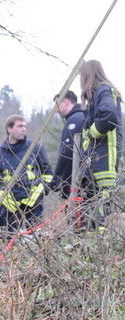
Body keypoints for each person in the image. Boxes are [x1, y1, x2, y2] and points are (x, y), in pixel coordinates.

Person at [0, 115, 52, 233]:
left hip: (33, 205)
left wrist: (38, 191)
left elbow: (49, 174)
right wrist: (2, 195)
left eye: (25, 126)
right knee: (10, 241)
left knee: (33, 240)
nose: (24, 129)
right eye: (20, 126)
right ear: (9, 129)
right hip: (8, 207)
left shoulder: (35, 148)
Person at [79, 59, 122, 225]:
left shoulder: (103, 91)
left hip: (104, 157)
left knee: (103, 204)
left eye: (82, 76)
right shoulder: (98, 94)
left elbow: (109, 115)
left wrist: (91, 133)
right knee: (96, 202)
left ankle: (102, 241)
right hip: (98, 156)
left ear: (88, 74)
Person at [51, 90, 86, 198]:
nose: (56, 110)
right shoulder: (83, 116)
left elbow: (68, 150)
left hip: (75, 180)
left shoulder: (74, 120)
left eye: (57, 105)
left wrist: (57, 176)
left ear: (65, 102)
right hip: (83, 177)